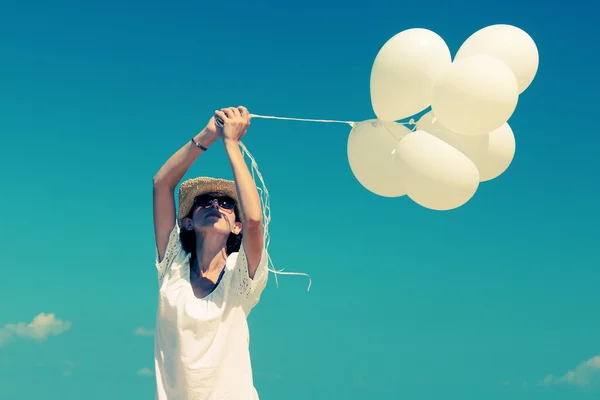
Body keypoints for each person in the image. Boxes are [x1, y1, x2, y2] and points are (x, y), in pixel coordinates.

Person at [152, 106, 268, 399]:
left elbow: (255, 221)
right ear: (187, 221)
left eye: (227, 204)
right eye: (204, 200)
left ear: (236, 227)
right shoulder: (173, 268)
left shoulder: (239, 279)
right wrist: (209, 135)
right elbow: (161, 184)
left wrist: (232, 144)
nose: (216, 205)